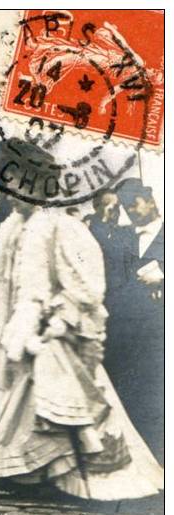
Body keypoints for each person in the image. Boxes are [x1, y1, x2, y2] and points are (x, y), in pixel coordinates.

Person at [0, 141, 163, 500]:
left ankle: (34, 472)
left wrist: (57, 317)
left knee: (53, 401)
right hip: (18, 329)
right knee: (16, 397)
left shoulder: (61, 226)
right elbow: (7, 285)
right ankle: (21, 469)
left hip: (53, 330)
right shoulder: (12, 229)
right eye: (3, 187)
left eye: (15, 186)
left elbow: (86, 284)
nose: (8, 196)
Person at [108, 178, 164, 463]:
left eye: (135, 202)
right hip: (126, 331)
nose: (131, 209)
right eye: (125, 205)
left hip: (161, 334)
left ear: (151, 200)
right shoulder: (121, 238)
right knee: (129, 397)